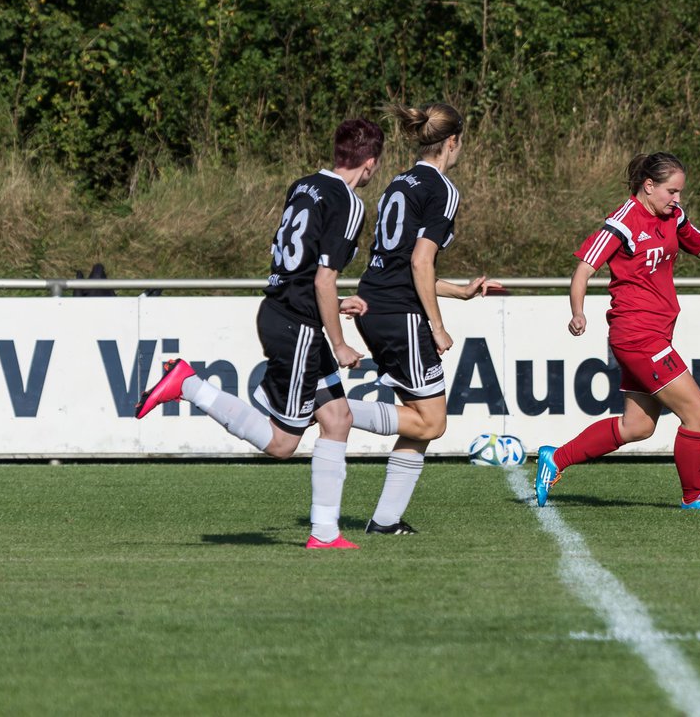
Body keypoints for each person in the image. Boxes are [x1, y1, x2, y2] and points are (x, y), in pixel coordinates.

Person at [135, 118, 385, 550]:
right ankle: (188, 384)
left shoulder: (303, 185)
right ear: (370, 163)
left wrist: (333, 306)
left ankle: (325, 533)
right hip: (298, 325)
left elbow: (301, 267)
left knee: (338, 419)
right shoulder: (350, 202)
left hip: (284, 311)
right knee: (283, 442)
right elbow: (324, 278)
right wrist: (340, 341)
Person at [534, 151, 700, 510]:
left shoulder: (673, 217)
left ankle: (556, 459)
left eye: (679, 193)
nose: (677, 199)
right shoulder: (623, 222)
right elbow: (583, 269)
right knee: (697, 412)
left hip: (656, 334)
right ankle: (694, 498)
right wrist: (578, 312)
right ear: (648, 186)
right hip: (637, 336)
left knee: (637, 427)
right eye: (672, 191)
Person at [343, 102, 500, 535]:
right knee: (432, 421)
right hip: (402, 314)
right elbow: (419, 262)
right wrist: (437, 324)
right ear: (453, 141)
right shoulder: (442, 189)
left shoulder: (401, 180)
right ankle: (331, 408)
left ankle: (386, 520)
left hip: (377, 303)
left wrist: (460, 292)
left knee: (419, 419)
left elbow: (404, 265)